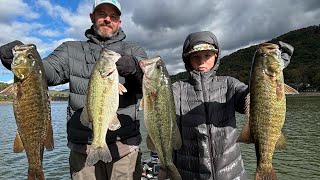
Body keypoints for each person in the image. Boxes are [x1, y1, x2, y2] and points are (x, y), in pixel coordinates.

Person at [0, 0, 147, 179]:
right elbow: (48, 71)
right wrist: (23, 62)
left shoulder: (134, 49)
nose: (108, 19)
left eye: (113, 16)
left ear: (119, 22)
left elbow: (150, 86)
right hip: (82, 149)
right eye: (102, 14)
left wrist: (134, 69)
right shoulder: (70, 49)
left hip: (124, 148)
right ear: (92, 17)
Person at [171, 31, 293, 179]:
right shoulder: (176, 89)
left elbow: (248, 99)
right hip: (189, 173)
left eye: (207, 55)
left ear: (216, 56)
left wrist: (272, 70)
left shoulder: (229, 84)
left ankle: (264, 169)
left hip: (231, 173)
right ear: (187, 59)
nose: (202, 61)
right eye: (195, 56)